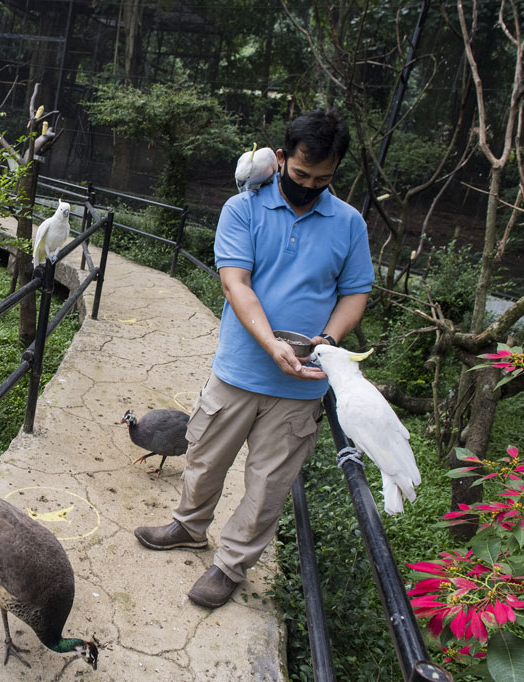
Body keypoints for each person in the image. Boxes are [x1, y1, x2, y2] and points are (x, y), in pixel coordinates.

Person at [134, 109, 374, 609]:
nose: (309, 186)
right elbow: (235, 283)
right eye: (301, 174)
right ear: (281, 159)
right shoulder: (242, 208)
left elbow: (355, 294)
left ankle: (230, 565)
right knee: (204, 458)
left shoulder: (349, 224)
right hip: (239, 369)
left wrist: (328, 339)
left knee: (268, 485)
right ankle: (188, 527)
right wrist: (271, 344)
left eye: (323, 179)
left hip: (302, 383)